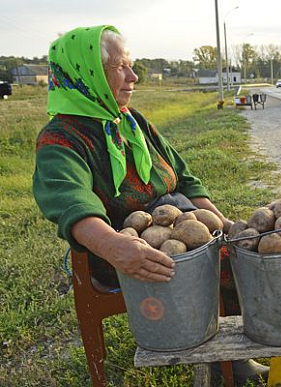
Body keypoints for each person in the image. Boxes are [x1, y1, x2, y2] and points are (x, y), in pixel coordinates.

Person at [32, 25, 268, 384]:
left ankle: (232, 359)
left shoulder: (131, 121)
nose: (133, 76)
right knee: (226, 263)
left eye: (131, 64)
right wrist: (114, 246)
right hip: (124, 252)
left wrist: (224, 224)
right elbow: (71, 202)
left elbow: (184, 179)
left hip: (181, 229)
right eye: (119, 67)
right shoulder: (60, 139)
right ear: (88, 73)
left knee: (242, 252)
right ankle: (224, 365)